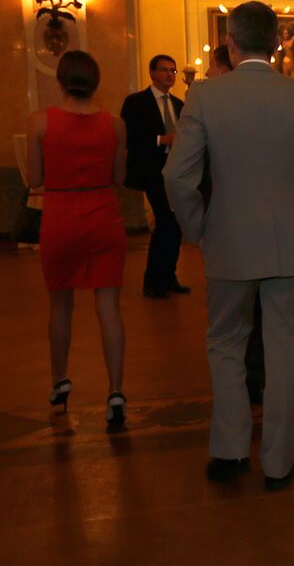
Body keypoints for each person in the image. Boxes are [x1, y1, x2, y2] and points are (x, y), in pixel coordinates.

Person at [164, 1, 294, 490]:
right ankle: (278, 463)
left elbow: (178, 176)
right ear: (275, 44)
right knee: (287, 349)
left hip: (227, 238)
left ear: (230, 42)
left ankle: (229, 452)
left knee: (225, 342)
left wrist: (197, 228)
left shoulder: (204, 97)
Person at [26, 51, 128, 428]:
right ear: (97, 80)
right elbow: (120, 177)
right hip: (104, 216)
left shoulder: (40, 123)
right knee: (109, 307)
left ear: (60, 79)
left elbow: (35, 179)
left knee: (61, 306)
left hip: (61, 218)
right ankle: (115, 392)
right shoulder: (114, 126)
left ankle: (60, 380)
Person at [203, 43, 265, 405]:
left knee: (228, 328)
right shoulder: (277, 102)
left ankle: (236, 402)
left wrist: (197, 226)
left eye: (212, 65)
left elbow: (185, 174)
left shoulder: (209, 104)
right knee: (262, 315)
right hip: (271, 230)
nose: (208, 73)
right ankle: (257, 382)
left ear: (227, 66)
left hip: (227, 230)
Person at [121, 54, 188, 299]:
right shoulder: (136, 102)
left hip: (174, 172)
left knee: (175, 224)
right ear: (152, 73)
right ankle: (153, 281)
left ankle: (168, 276)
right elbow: (129, 137)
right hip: (151, 171)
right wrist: (162, 139)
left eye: (173, 70)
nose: (170, 75)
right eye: (164, 70)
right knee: (166, 221)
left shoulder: (180, 105)